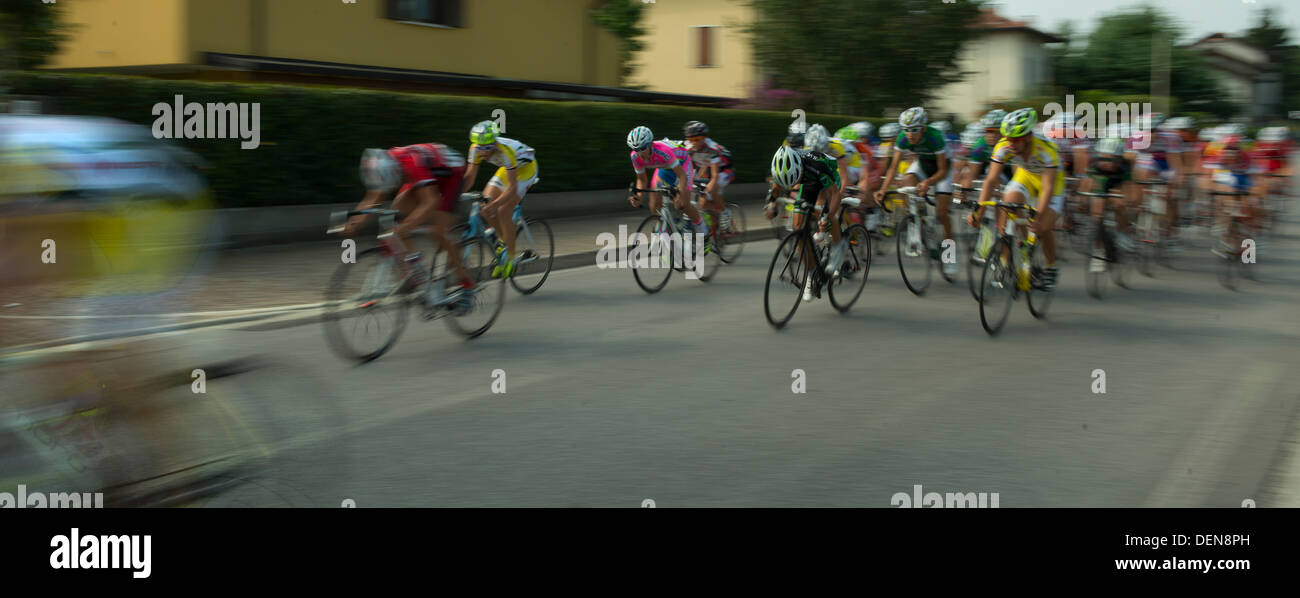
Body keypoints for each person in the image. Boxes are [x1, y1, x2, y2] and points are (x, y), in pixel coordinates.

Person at [345, 143, 475, 307]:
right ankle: (419, 272)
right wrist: (354, 222)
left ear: (394, 172)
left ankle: (466, 281)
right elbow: (374, 198)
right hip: (427, 173)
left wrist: (407, 225)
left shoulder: (412, 163)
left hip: (451, 174)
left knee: (437, 231)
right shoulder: (384, 163)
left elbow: (431, 201)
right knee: (396, 213)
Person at [971, 108, 1063, 291]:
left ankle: (1051, 266)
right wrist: (979, 208)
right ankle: (1011, 253)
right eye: (1008, 137)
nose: (1011, 143)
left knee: (1043, 227)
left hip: (1051, 183)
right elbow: (990, 180)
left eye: (1016, 139)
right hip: (1026, 176)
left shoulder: (1046, 149)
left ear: (1028, 136)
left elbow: (1047, 188)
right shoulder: (1003, 145)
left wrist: (1039, 217)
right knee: (1008, 201)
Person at [462, 120, 539, 278]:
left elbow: (511, 188)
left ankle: (510, 257)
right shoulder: (475, 148)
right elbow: (469, 178)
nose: (483, 152)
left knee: (504, 210)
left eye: (488, 147)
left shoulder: (504, 151)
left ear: (494, 142)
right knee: (485, 206)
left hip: (526, 171)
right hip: (507, 169)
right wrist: (455, 195)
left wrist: (496, 204)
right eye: (479, 147)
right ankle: (503, 240)